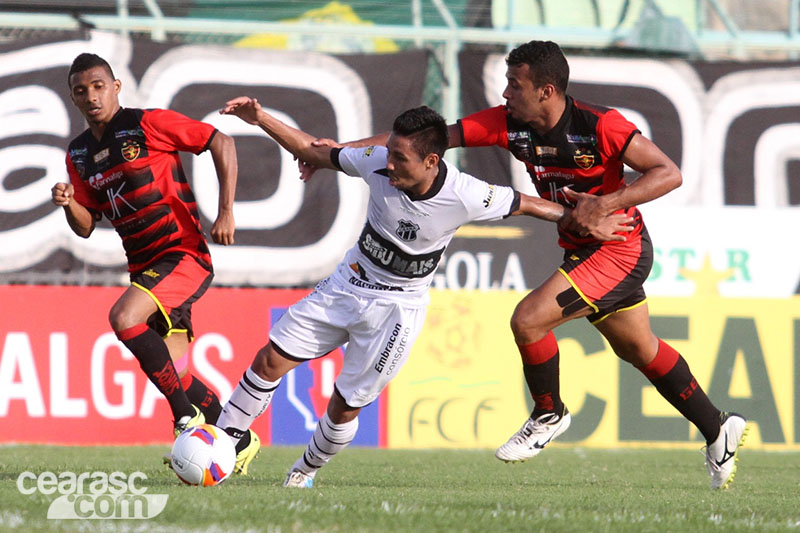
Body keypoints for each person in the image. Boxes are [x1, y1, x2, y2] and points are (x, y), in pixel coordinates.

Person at [306, 41, 747, 491]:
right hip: (582, 249)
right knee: (640, 350)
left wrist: (606, 203)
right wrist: (338, 151)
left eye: (514, 85)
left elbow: (668, 172)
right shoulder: (507, 124)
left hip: (618, 248)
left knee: (529, 320)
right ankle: (718, 428)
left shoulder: (601, 125)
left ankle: (548, 412)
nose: (504, 93)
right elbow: (422, 144)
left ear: (546, 91)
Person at [215, 97, 633, 488]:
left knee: (344, 408)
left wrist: (585, 219)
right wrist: (261, 118)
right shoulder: (376, 161)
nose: (389, 164)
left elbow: (527, 203)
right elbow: (313, 151)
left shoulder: (466, 194)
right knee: (270, 359)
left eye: (401, 158)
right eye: (390, 152)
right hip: (348, 283)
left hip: (398, 310)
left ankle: (302, 472)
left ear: (432, 161)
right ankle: (224, 443)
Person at [51, 53, 256, 474]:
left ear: (116, 87)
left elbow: (222, 141)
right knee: (178, 373)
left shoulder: (146, 124)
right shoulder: (79, 154)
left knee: (124, 316)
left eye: (98, 86)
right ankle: (236, 440)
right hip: (144, 269)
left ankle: (185, 419)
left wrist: (227, 211)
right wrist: (70, 203)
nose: (91, 96)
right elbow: (87, 227)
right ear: (73, 98)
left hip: (183, 255)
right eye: (80, 91)